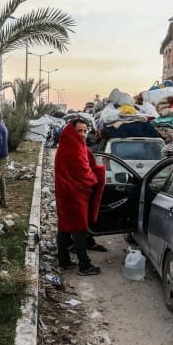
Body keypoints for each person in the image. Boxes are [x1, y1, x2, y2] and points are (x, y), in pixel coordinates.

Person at [54, 118, 105, 276]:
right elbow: (84, 173)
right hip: (74, 194)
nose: (83, 134)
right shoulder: (73, 148)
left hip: (65, 192)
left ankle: (64, 261)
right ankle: (84, 265)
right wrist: (97, 178)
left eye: (84, 131)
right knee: (79, 229)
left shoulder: (70, 144)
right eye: (79, 131)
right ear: (72, 130)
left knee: (64, 228)